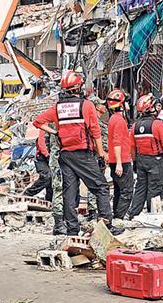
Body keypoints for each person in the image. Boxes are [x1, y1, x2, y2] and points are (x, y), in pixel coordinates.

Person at [28, 70, 111, 236]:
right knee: (101, 187)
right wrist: (102, 153)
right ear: (78, 87)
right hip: (83, 155)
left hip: (65, 156)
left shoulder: (58, 108)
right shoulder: (86, 105)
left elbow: (37, 122)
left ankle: (72, 229)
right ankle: (106, 225)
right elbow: (95, 132)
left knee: (69, 192)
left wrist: (54, 133)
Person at [128, 94, 163, 218]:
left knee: (140, 187)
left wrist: (135, 162)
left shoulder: (135, 126)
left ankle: (134, 213)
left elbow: (132, 148)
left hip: (141, 160)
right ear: (151, 108)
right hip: (156, 160)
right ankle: (152, 215)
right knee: (155, 188)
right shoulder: (157, 125)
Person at [105, 89, 134, 220]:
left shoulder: (113, 119)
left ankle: (117, 215)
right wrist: (119, 163)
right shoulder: (118, 121)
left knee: (118, 190)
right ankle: (119, 217)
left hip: (116, 160)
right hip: (121, 161)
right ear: (121, 105)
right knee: (127, 191)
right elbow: (117, 142)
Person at [22, 113, 53, 204]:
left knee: (52, 180)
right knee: (46, 176)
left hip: (52, 157)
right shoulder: (46, 127)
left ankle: (49, 200)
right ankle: (28, 194)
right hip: (42, 158)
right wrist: (47, 155)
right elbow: (42, 143)